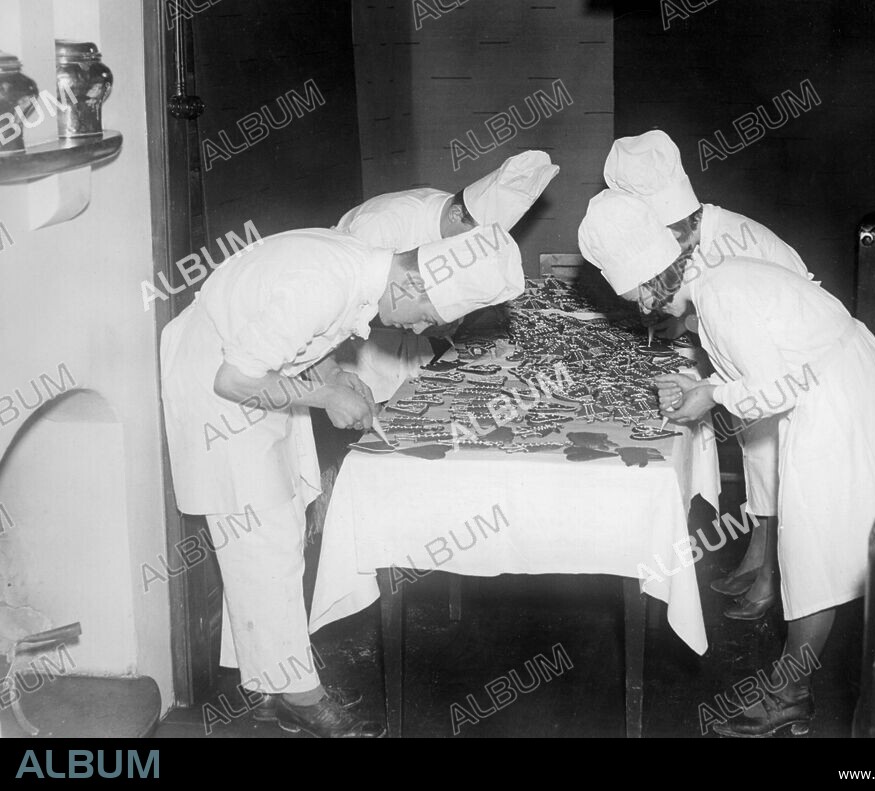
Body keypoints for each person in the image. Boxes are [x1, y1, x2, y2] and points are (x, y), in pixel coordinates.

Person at [578, 192, 875, 736]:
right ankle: (806, 681)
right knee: (828, 550)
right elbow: (769, 364)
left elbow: (775, 390)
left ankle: (792, 694)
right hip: (844, 378)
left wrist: (710, 398)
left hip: (833, 400)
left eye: (640, 294)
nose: (645, 308)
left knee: (813, 555)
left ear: (656, 276)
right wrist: (707, 386)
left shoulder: (718, 296)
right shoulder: (716, 278)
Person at [160, 225, 525, 737]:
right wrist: (325, 398)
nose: (419, 330)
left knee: (277, 531)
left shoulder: (364, 267)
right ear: (414, 283)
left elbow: (308, 332)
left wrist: (331, 376)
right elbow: (234, 380)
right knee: (264, 541)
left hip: (259, 369)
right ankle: (301, 699)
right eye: (426, 316)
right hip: (220, 388)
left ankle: (267, 686)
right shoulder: (324, 278)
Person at [604, 130, 813, 617]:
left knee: (778, 465)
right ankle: (758, 559)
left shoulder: (736, 241)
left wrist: (714, 387)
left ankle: (774, 578)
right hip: (752, 367)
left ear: (677, 225)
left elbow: (758, 327)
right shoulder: (697, 237)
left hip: (791, 368)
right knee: (757, 457)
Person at [335, 150, 559, 401]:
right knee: (367, 412)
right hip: (361, 347)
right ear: (455, 214)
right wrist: (425, 325)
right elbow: (346, 308)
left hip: (408, 344)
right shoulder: (382, 223)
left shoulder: (453, 215)